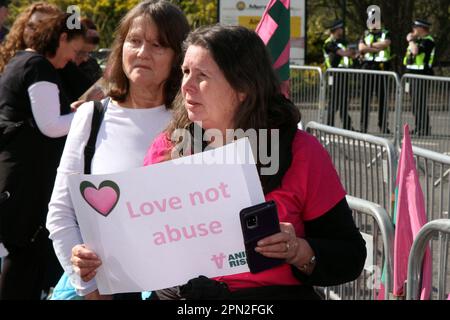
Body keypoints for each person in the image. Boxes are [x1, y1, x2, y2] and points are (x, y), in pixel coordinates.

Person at [71, 25, 367, 300]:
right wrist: (97, 259)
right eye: (185, 71)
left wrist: (300, 250)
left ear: (243, 87)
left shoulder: (300, 151)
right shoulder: (167, 146)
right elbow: (137, 250)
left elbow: (350, 256)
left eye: (202, 75)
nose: (186, 85)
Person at [46, 0, 190, 300]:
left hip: (173, 291)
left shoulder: (193, 121)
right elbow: (60, 214)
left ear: (179, 56)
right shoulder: (92, 116)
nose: (142, 53)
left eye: (158, 45)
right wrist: (89, 287)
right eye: (134, 41)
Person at [0, 10, 86, 300]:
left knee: (24, 252)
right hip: (26, 177)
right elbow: (51, 125)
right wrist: (89, 112)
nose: (73, 59)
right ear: (61, 38)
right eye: (74, 50)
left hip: (19, 172)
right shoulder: (38, 66)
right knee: (24, 250)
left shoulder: (21, 61)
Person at [0, 2, 61, 74]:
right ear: (23, 26)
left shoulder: (61, 68)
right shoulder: (5, 56)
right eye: (31, 26)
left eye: (43, 29)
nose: (34, 33)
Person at [58, 17, 104, 103]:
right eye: (80, 52)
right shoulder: (59, 65)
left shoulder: (92, 64)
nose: (85, 58)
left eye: (90, 53)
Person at [358, 23, 392, 134]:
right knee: (365, 99)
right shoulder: (365, 34)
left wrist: (369, 46)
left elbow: (385, 44)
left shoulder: (385, 33)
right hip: (367, 67)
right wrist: (375, 48)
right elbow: (361, 48)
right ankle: (363, 127)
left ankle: (383, 126)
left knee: (382, 99)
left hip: (381, 68)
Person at [404, 19, 435, 136]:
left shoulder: (428, 41)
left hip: (422, 75)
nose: (413, 30)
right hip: (412, 75)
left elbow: (415, 51)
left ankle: (424, 128)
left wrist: (411, 40)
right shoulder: (419, 40)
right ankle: (419, 127)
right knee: (415, 103)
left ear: (422, 28)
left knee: (420, 102)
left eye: (415, 27)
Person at [322, 19, 356, 130]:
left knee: (343, 101)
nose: (342, 30)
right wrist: (350, 52)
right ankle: (329, 127)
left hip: (343, 74)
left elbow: (350, 55)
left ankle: (347, 126)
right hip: (334, 75)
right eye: (340, 28)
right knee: (334, 101)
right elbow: (343, 53)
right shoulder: (329, 43)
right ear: (335, 30)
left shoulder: (341, 42)